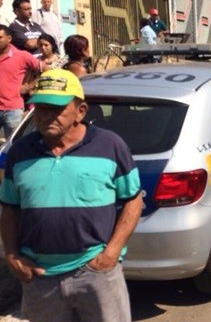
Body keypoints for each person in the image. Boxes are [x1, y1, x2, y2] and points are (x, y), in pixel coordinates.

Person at [0, 69, 143, 322]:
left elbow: (133, 200)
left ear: (81, 111)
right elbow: (10, 208)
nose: (45, 116)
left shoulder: (110, 146)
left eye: (56, 108)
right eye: (40, 108)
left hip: (96, 273)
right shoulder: (19, 152)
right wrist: (12, 256)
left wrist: (111, 253)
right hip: (39, 277)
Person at [0, 25, 47, 138]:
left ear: (9, 38)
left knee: (14, 147)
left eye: (0, 37)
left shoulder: (22, 56)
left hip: (12, 110)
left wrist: (30, 86)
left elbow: (46, 71)